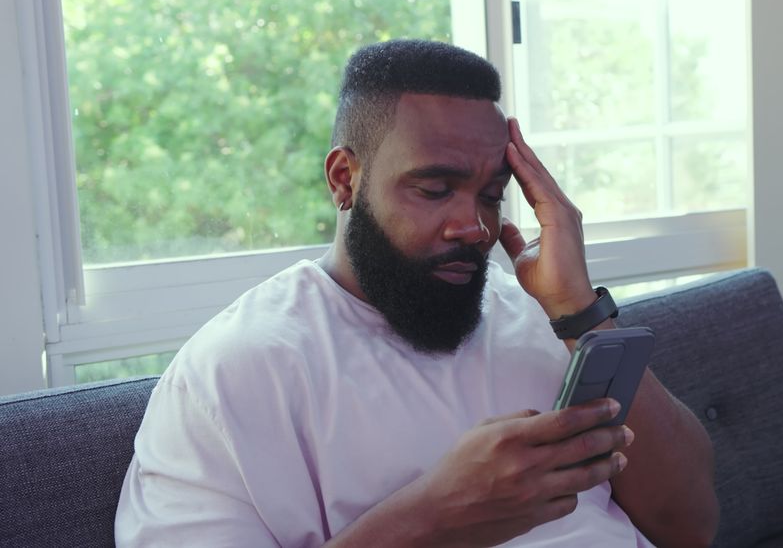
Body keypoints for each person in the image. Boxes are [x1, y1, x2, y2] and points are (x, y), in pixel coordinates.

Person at [115, 39, 719, 547]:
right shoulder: (234, 371)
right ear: (344, 179)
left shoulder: (542, 315)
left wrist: (579, 309)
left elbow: (691, 526)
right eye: (435, 189)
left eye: (490, 194)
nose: (474, 227)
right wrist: (436, 518)